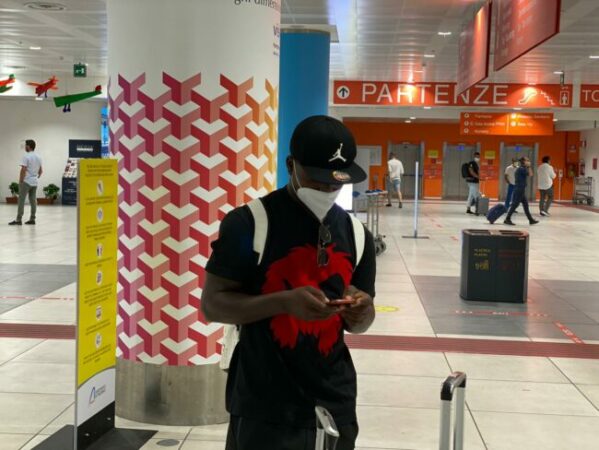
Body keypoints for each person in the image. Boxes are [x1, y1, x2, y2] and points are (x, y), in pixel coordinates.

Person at [202, 115, 377, 450]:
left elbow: (361, 323)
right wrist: (283, 302)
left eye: (336, 183)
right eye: (317, 180)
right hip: (264, 402)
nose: (327, 190)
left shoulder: (357, 234)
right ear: (290, 165)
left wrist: (361, 311)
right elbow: (212, 305)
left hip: (334, 400)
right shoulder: (249, 224)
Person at [9, 139, 42, 226]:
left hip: (26, 181)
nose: (24, 147)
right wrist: (36, 177)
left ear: (28, 146)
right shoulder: (39, 157)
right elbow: (41, 171)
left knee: (21, 200)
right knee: (33, 200)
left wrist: (21, 180)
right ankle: (32, 219)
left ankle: (18, 220)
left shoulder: (26, 156)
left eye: (25, 145)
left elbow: (23, 169)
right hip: (34, 182)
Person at [504, 156, 539, 226]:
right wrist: (529, 166)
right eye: (527, 160)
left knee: (525, 205)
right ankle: (507, 219)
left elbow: (530, 174)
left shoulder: (521, 168)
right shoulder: (521, 169)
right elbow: (531, 174)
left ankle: (531, 220)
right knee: (515, 205)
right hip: (519, 190)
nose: (528, 161)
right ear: (523, 162)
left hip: (520, 190)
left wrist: (528, 166)